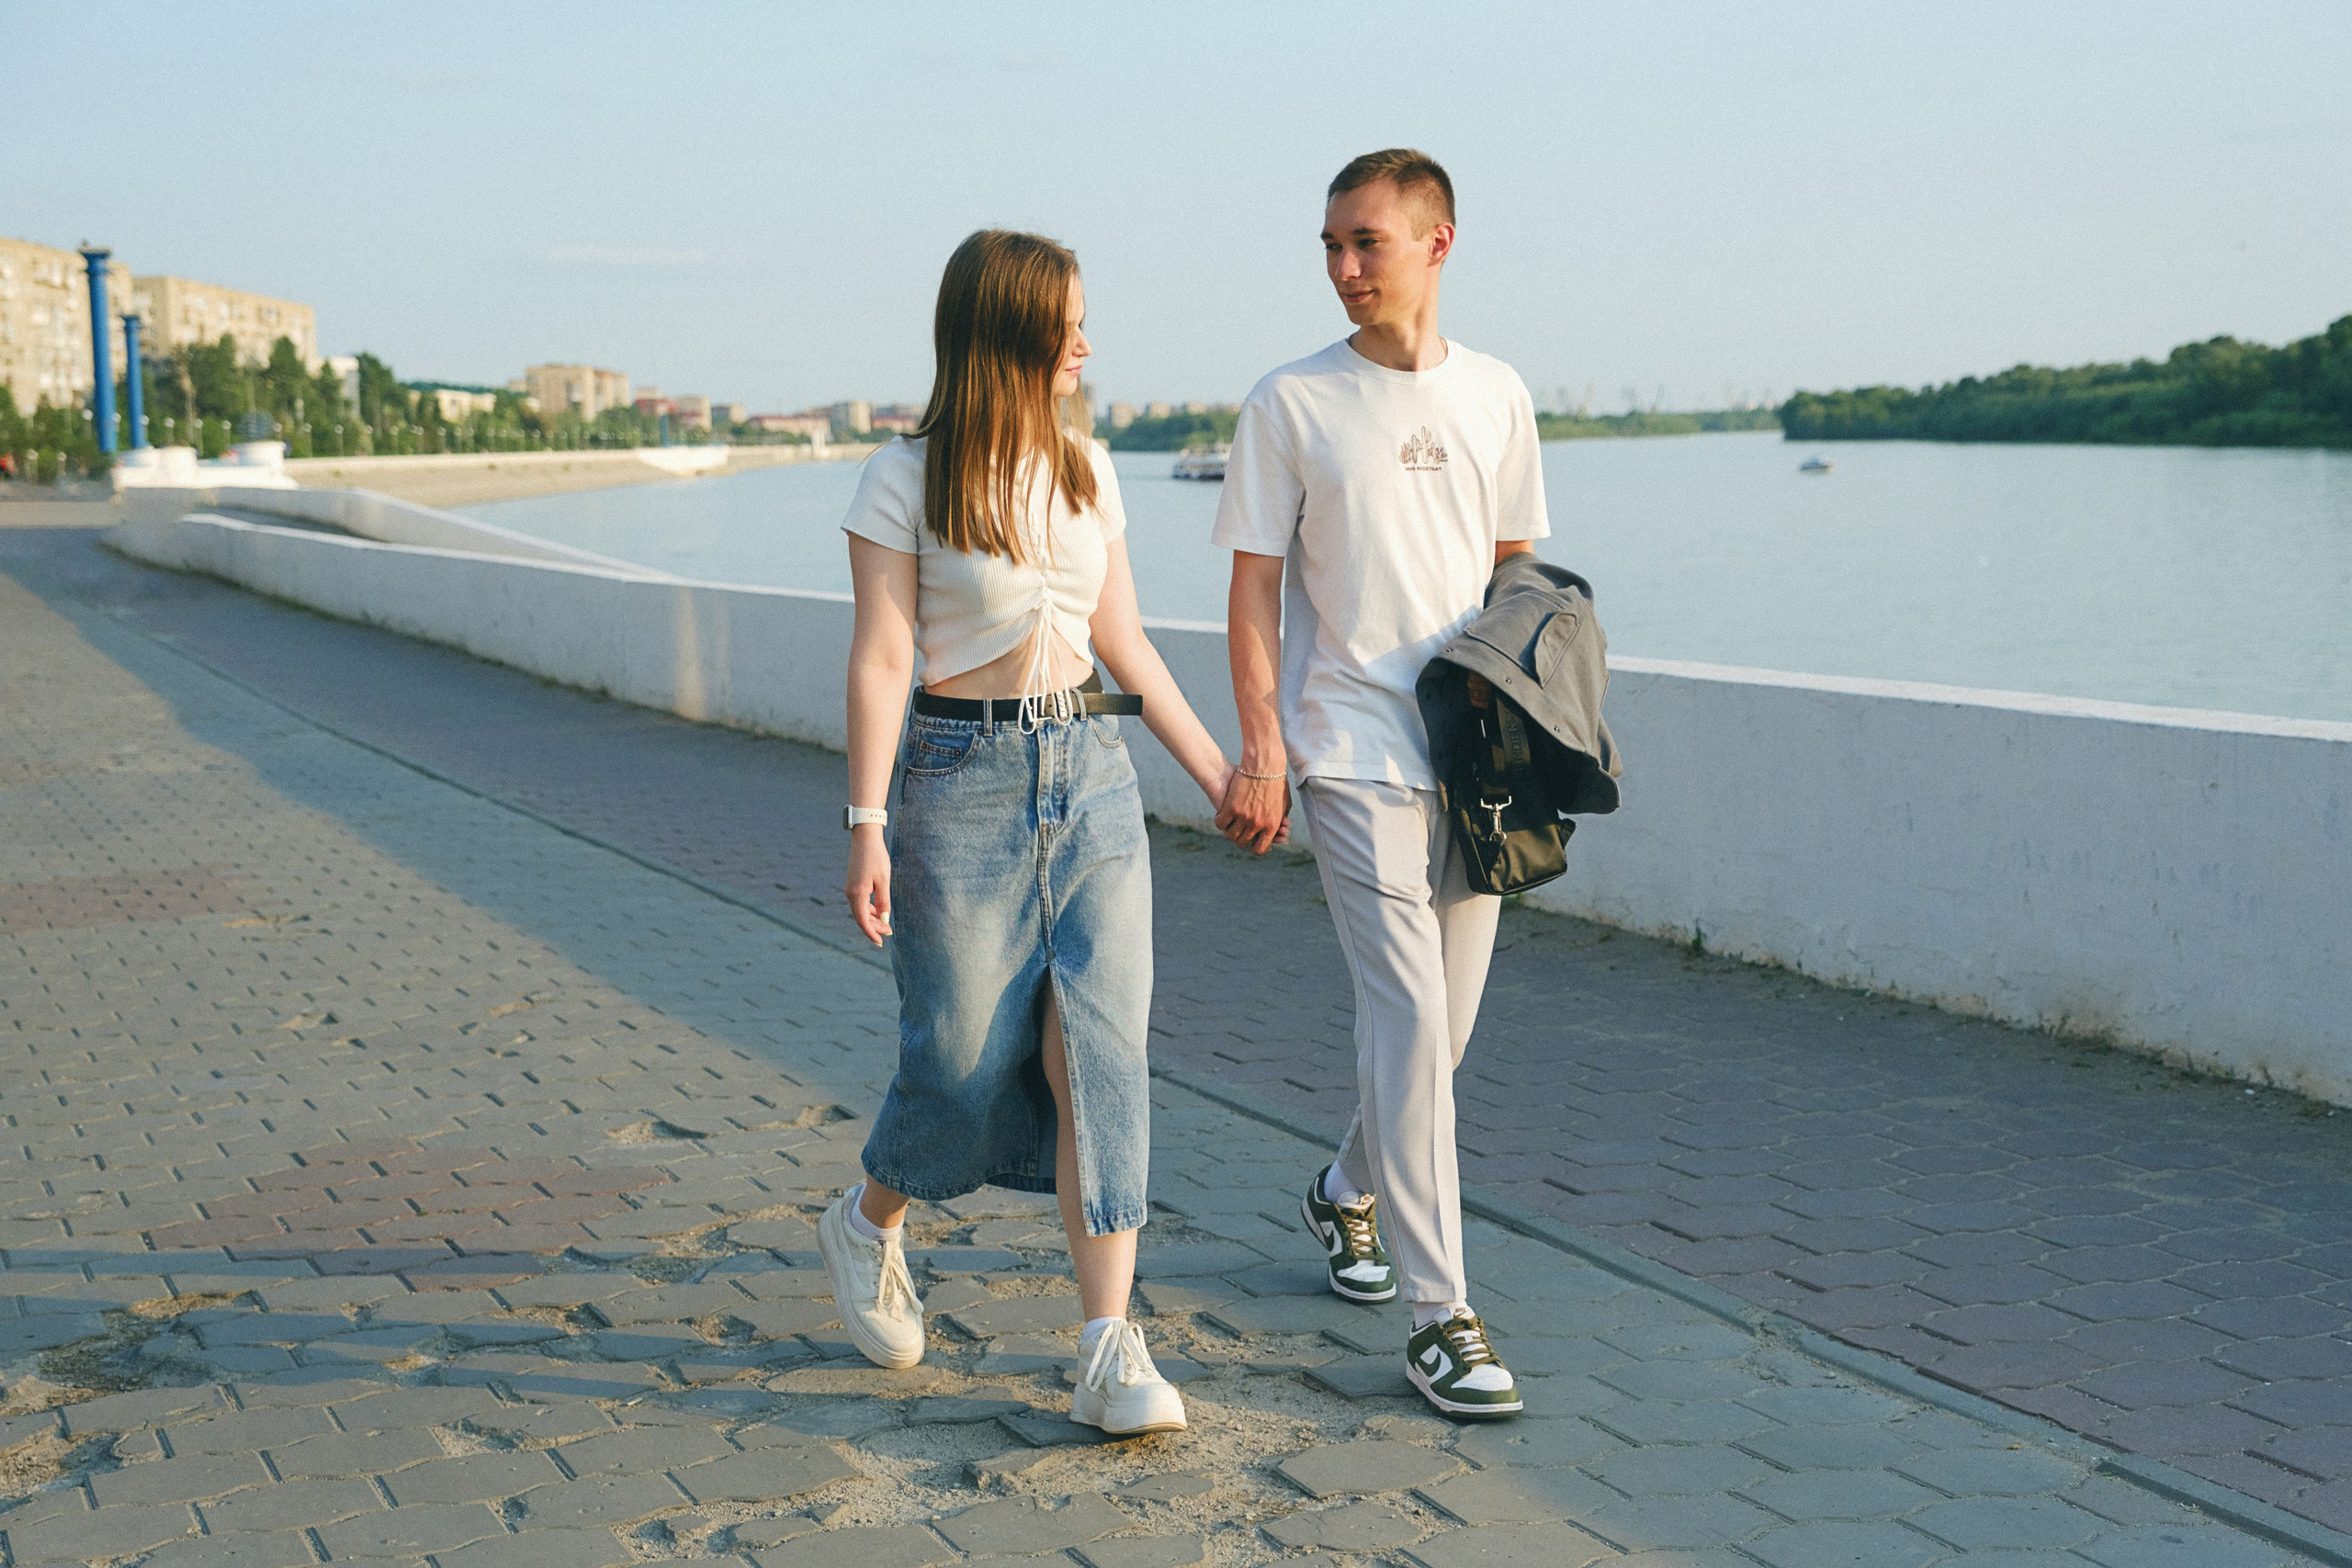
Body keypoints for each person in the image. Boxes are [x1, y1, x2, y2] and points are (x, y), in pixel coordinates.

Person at [831, 229, 1249, 1436]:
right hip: (958, 780)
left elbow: (1123, 641)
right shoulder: (901, 477)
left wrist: (1218, 771)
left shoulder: (1088, 470)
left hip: (1094, 775)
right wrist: (864, 825)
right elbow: (884, 655)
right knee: (958, 1065)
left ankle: (1109, 1344)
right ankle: (868, 1222)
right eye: (1067, 319)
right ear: (1007, 329)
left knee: (1099, 1056)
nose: (1085, 340)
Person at [1213, 149, 1544, 1420]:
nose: (1347, 268)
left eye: (1369, 243)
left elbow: (1516, 576)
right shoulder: (1290, 402)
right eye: (1332, 247)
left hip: (1471, 762)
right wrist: (1261, 747)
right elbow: (1249, 588)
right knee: (1406, 1013)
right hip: (1345, 748)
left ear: (1438, 243)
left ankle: (1346, 1189)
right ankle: (1438, 1315)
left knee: (1439, 1039)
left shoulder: (1500, 396)